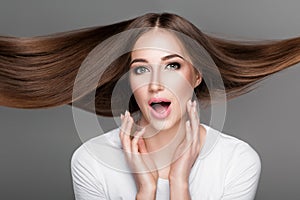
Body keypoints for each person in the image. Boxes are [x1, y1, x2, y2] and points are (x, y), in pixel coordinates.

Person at [1, 12, 300, 199]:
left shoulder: (237, 160)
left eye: (172, 65)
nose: (156, 82)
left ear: (196, 76)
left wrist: (180, 184)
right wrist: (146, 191)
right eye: (141, 68)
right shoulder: (90, 160)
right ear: (128, 80)